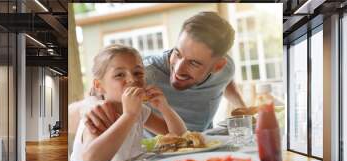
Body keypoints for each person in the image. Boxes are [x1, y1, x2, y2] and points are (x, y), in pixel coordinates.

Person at [83, 11, 246, 135]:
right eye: (178, 53)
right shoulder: (143, 74)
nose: (178, 69)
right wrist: (92, 108)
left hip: (205, 145)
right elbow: (102, 88)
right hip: (156, 156)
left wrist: (244, 109)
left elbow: (225, 80)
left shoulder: (226, 69)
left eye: (194, 63)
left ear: (217, 66)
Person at [70, 44, 186, 161]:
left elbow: (180, 136)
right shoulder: (97, 113)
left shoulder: (138, 109)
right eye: (119, 75)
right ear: (99, 86)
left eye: (138, 73)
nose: (132, 79)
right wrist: (129, 115)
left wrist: (165, 107)